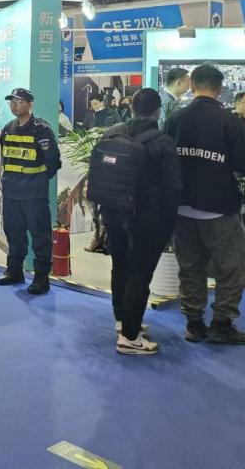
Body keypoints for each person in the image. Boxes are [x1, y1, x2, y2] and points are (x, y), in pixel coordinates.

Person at [165, 63, 245, 345]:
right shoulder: (231, 121)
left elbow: (165, 160)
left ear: (192, 85)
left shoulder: (175, 118)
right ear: (220, 88)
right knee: (231, 269)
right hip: (219, 207)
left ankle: (194, 324)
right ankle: (222, 323)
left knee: (190, 267)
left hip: (182, 207)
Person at [98, 89, 182, 355]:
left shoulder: (113, 134)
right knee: (140, 275)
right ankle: (130, 338)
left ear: (132, 108)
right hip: (147, 219)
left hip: (114, 214)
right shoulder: (163, 142)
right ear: (157, 111)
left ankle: (122, 321)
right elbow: (173, 187)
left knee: (120, 266)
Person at [0, 88, 61, 295]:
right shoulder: (8, 129)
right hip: (11, 193)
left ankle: (41, 278)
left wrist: (36, 181)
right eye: (12, 102)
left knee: (40, 236)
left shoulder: (41, 129)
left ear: (30, 104)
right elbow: (5, 159)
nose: (15, 106)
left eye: (20, 102)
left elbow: (53, 162)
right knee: (14, 234)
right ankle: (14, 271)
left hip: (34, 195)